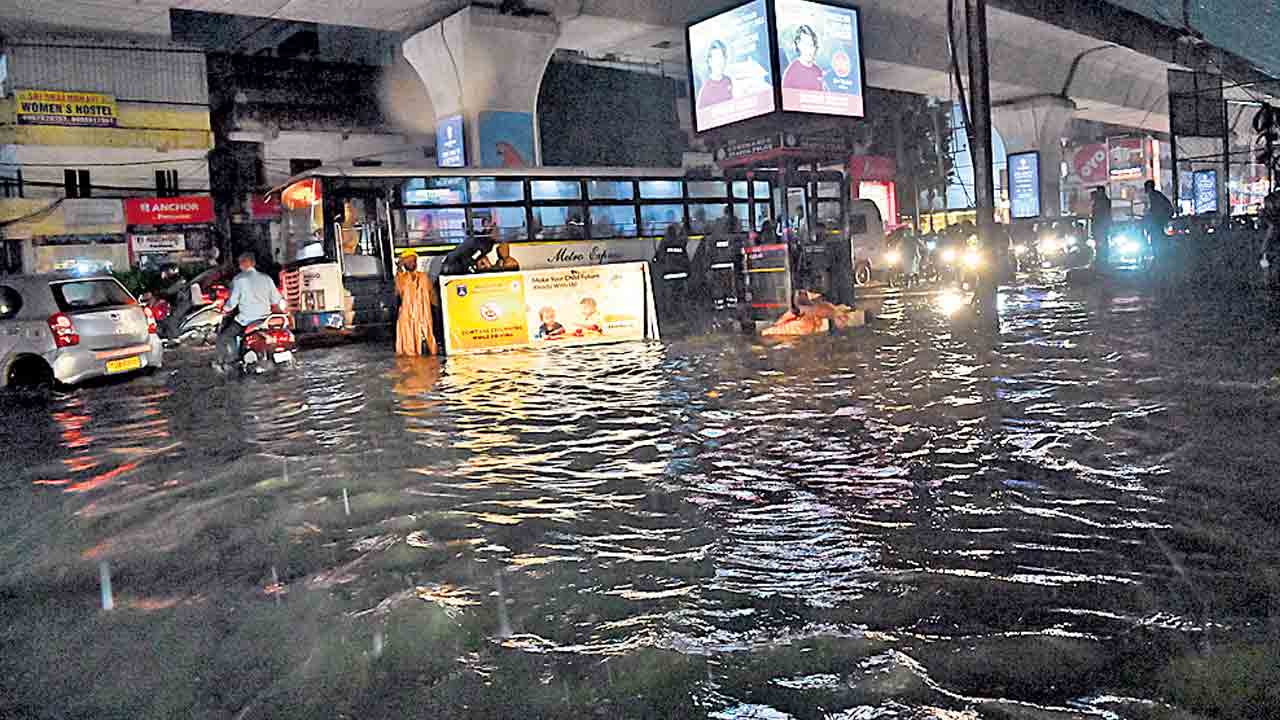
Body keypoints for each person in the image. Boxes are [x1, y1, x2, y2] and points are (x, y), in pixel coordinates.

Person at [215, 252, 284, 372]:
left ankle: (227, 363)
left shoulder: (239, 280)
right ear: (254, 263)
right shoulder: (266, 278)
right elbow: (276, 300)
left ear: (242, 264)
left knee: (223, 337)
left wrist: (223, 310)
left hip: (246, 320)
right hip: (265, 320)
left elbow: (232, 303)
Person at [395, 249, 439, 356]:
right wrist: (399, 267)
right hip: (407, 317)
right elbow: (399, 289)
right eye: (408, 261)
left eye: (413, 260)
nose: (411, 263)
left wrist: (437, 308)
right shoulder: (401, 278)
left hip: (424, 315)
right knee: (408, 348)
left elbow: (432, 294)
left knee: (430, 346)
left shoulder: (424, 276)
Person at [781, 24, 825, 91]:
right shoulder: (791, 73)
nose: (809, 49)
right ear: (798, 45)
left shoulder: (818, 72)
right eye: (806, 45)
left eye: (812, 45)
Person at [1144, 180, 1174, 270]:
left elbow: (1155, 210)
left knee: (1157, 238)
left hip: (1160, 220)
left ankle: (1159, 259)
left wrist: (1148, 216)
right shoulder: (1156, 195)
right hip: (1161, 219)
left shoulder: (1154, 196)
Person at [697, 40, 733, 108]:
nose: (719, 62)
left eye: (721, 57)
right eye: (716, 58)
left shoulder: (729, 80)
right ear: (709, 62)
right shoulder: (705, 91)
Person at [1090, 187, 1113, 271]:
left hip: (1101, 224)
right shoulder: (1102, 201)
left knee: (1102, 242)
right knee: (1101, 242)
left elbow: (1101, 214)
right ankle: (1101, 258)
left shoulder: (1102, 201)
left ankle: (1102, 258)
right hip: (1100, 224)